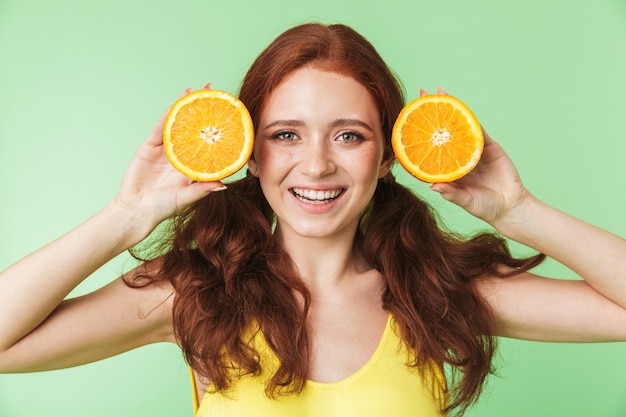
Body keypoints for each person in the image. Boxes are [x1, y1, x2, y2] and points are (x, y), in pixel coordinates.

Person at [1, 22, 625, 417]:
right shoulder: (192, 294)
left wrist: (520, 211)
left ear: (386, 157)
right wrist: (126, 216)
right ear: (248, 152)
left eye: (349, 135)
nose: (317, 164)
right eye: (286, 134)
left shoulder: (435, 294)